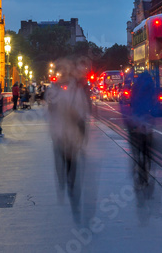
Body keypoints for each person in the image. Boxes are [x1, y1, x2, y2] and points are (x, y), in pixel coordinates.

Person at [48, 62, 91, 214]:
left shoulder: (76, 91)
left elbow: (83, 113)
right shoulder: (52, 91)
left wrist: (76, 115)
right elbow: (50, 112)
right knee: (62, 163)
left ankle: (73, 192)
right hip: (60, 134)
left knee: (71, 165)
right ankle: (63, 183)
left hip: (71, 136)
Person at [124, 71, 156, 190]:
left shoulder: (136, 87)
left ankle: (138, 164)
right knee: (147, 148)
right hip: (146, 119)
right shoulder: (151, 86)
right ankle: (145, 169)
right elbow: (154, 103)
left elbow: (132, 103)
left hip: (136, 119)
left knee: (137, 147)